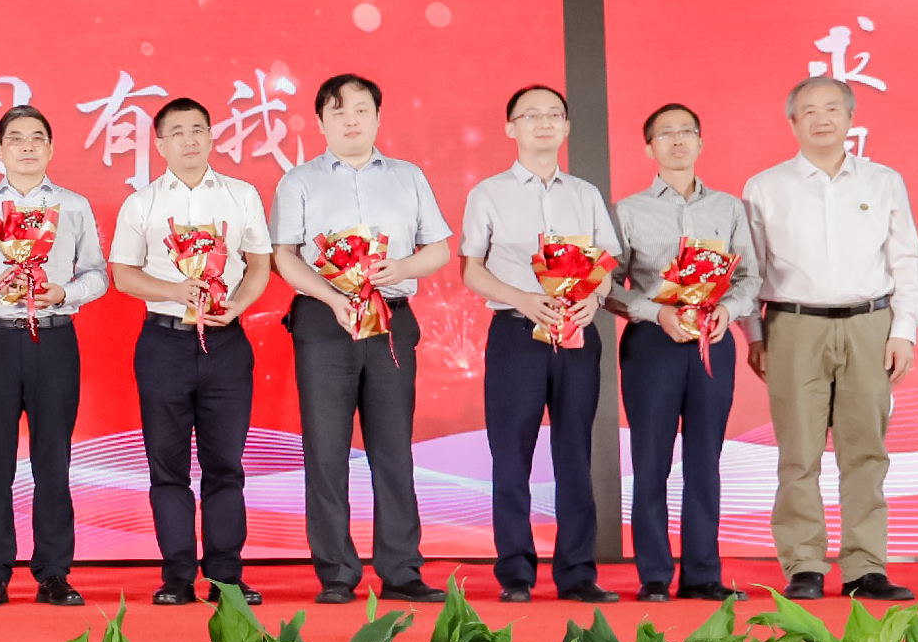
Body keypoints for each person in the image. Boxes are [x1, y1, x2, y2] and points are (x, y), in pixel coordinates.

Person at [271, 72, 454, 605]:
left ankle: (401, 569)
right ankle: (336, 572)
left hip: (391, 318)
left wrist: (401, 267)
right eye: (338, 111)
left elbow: (439, 249)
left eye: (361, 110)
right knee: (326, 451)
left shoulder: (407, 176)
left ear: (377, 117)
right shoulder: (299, 181)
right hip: (325, 321)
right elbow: (284, 256)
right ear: (320, 121)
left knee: (393, 449)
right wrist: (332, 298)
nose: (350, 120)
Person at [744, 75, 918, 602]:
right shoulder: (764, 186)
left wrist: (904, 330)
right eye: (809, 110)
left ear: (850, 118)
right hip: (793, 325)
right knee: (797, 452)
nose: (821, 119)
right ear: (792, 122)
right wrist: (753, 334)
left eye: (832, 109)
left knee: (866, 450)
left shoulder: (883, 181)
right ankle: (803, 563)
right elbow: (750, 270)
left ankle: (865, 567)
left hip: (870, 324)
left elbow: (905, 260)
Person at [459, 85, 624, 605]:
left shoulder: (585, 194)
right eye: (531, 115)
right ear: (511, 127)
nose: (544, 123)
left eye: (555, 114)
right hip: (516, 333)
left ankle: (577, 572)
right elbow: (471, 269)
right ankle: (515, 573)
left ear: (567, 127)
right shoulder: (488, 193)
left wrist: (594, 299)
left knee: (575, 452)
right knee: (511, 456)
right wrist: (523, 300)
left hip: (577, 332)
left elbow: (606, 264)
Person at [107, 95, 273, 607]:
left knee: (226, 465)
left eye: (198, 129)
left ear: (212, 136)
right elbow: (123, 274)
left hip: (226, 341)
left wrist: (239, 304)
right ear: (160, 144)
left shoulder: (241, 195)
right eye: (177, 132)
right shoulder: (142, 203)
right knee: (168, 467)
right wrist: (174, 291)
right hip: (165, 343)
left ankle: (227, 576)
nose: (189, 139)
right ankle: (176, 576)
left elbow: (259, 264)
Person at [0, 105, 106, 609]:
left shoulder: (73, 206)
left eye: (37, 137)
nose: (27, 146)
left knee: (53, 459)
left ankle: (54, 572)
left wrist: (64, 293)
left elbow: (98, 274)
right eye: (16, 138)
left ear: (51, 148)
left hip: (53, 339)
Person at [613, 103, 757, 603]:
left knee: (705, 459)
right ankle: (654, 574)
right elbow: (608, 286)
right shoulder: (628, 210)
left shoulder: (729, 208)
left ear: (700, 141)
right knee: (650, 459)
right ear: (649, 147)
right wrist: (656, 313)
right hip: (653, 343)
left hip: (712, 340)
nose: (677, 141)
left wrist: (729, 311)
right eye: (665, 134)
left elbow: (749, 277)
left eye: (686, 132)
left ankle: (703, 573)